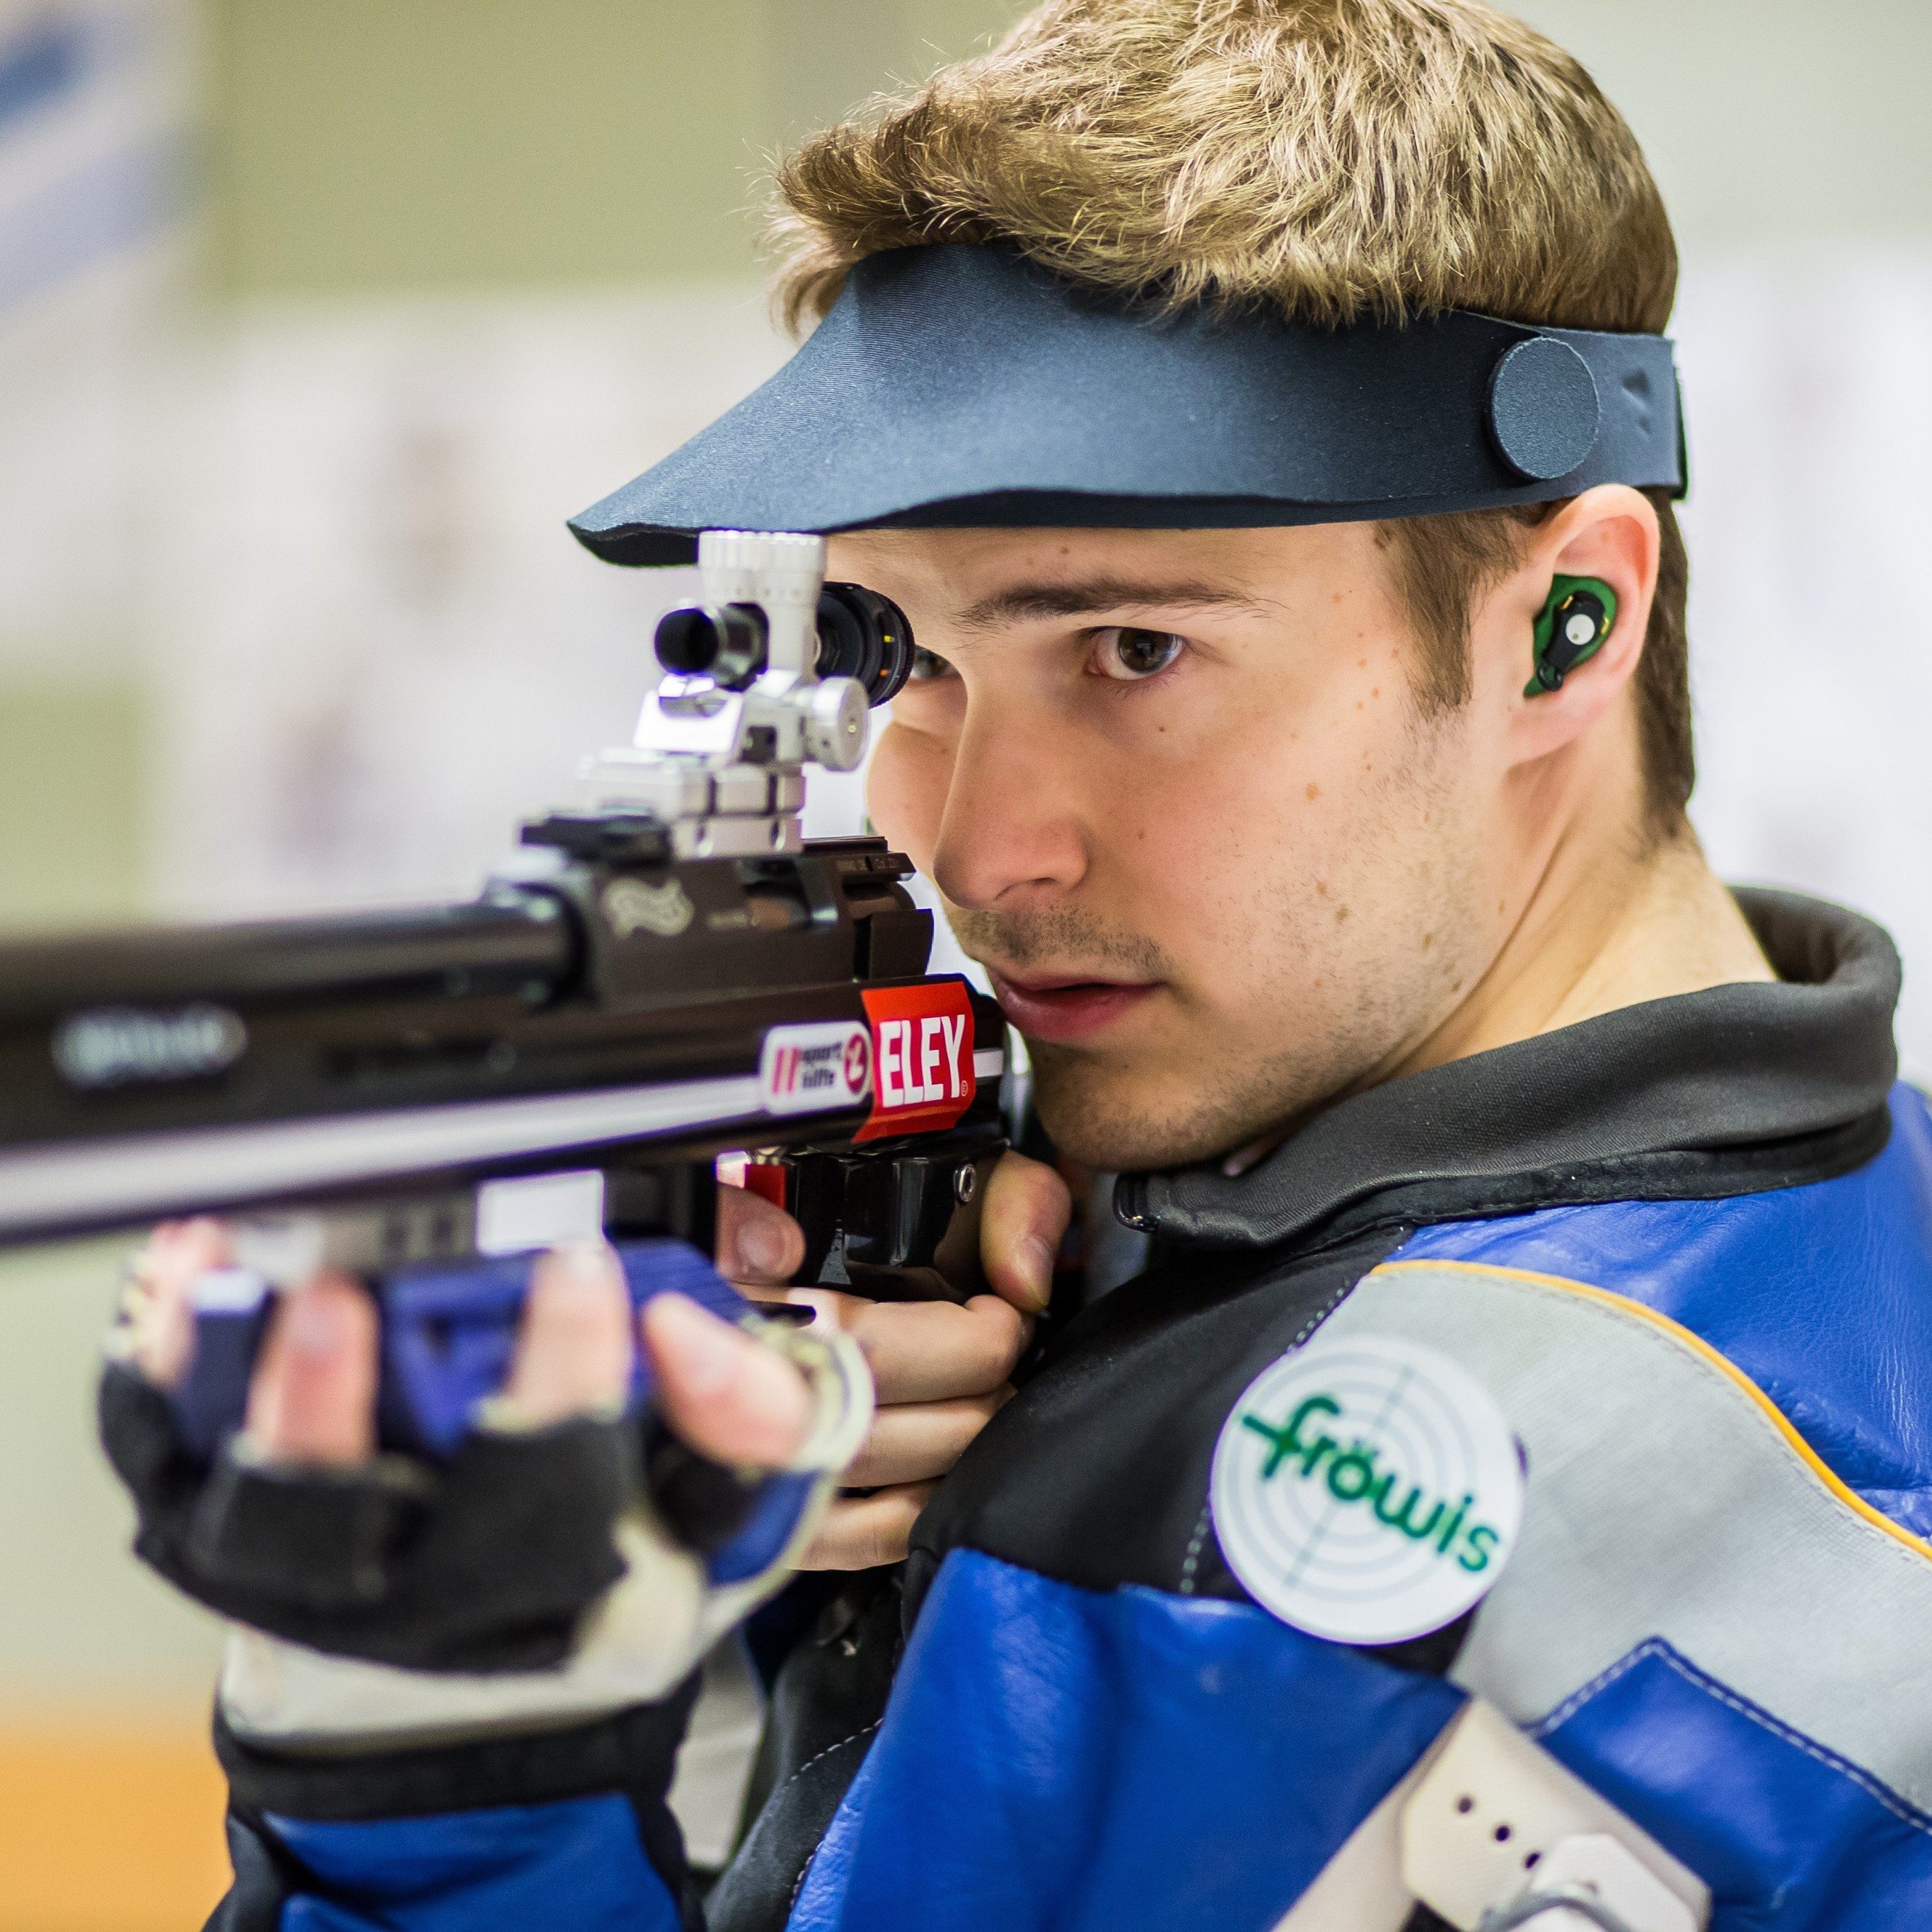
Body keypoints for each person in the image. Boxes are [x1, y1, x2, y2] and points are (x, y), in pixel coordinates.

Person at [109, 1, 1932, 1927]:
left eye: (1134, 651)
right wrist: (705, 1602)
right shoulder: (1783, 1198)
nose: (975, 846)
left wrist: (444, 1775)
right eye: (897, 661)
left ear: (1562, 624)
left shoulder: (1457, 1546)